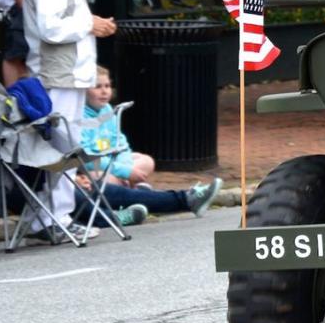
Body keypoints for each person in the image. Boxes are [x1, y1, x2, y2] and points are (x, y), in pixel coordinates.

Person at [19, 0, 118, 243]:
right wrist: (90, 24)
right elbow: (50, 27)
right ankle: (55, 217)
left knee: (63, 147)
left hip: (66, 72)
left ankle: (47, 216)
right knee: (64, 147)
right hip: (58, 73)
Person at [74, 65, 220, 226]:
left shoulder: (108, 110)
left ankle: (138, 197)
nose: (104, 91)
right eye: (97, 87)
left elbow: (120, 143)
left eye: (107, 86)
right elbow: (85, 158)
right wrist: (125, 171)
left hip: (112, 165)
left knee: (145, 161)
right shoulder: (79, 116)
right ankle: (182, 199)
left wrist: (126, 167)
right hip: (96, 170)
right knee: (98, 179)